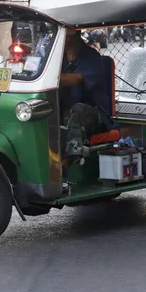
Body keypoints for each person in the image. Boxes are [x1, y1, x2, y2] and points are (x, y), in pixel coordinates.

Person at [60, 27, 112, 186]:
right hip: (65, 110)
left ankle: (64, 166)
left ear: (73, 37)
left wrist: (50, 77)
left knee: (79, 110)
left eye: (65, 37)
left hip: (95, 113)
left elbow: (75, 79)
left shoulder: (90, 56)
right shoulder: (58, 58)